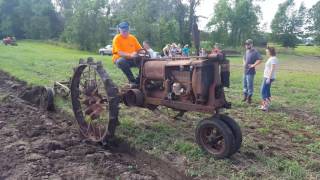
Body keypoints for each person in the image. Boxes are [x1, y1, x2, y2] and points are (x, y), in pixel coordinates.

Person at [112, 22, 142, 87]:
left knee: (145, 61)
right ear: (119, 30)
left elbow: (140, 50)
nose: (125, 32)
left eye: (126, 30)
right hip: (119, 59)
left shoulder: (132, 38)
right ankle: (132, 81)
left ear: (129, 30)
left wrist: (142, 53)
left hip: (132, 59)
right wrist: (130, 55)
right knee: (121, 61)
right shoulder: (117, 38)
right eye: (123, 31)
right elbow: (120, 53)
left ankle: (140, 80)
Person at [242, 39, 262, 104]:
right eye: (246, 44)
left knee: (249, 85)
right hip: (245, 71)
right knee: (244, 84)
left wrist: (253, 65)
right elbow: (244, 58)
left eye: (248, 44)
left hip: (251, 72)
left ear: (251, 44)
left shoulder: (255, 52)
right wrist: (244, 63)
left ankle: (249, 98)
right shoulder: (246, 51)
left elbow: (260, 59)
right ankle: (245, 96)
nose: (247, 45)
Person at [260, 46, 279, 111]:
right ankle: (266, 104)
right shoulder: (271, 58)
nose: (266, 53)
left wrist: (269, 78)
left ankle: (265, 106)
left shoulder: (273, 58)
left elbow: (272, 68)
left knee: (263, 91)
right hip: (267, 76)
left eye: (267, 51)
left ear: (270, 52)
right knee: (267, 91)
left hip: (268, 77)